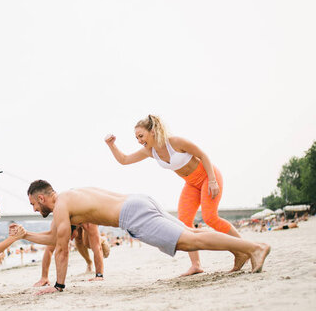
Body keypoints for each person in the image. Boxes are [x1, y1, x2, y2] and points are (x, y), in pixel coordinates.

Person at [15, 180, 270, 295]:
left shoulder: (61, 206)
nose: (35, 210)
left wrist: (58, 286)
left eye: (34, 205)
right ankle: (240, 251)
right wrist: (25, 235)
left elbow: (61, 249)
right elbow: (53, 239)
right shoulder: (71, 195)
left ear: (41, 197)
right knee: (192, 233)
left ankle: (255, 247)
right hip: (137, 200)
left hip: (131, 214)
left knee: (188, 241)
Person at [104, 114, 244, 276]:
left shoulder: (175, 142)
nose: (139, 141)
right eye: (136, 138)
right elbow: (125, 159)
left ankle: (243, 249)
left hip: (208, 176)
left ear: (153, 131)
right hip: (191, 184)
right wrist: (111, 145)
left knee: (210, 217)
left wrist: (212, 180)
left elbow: (203, 155)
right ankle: (196, 264)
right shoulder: (150, 151)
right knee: (184, 223)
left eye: (141, 136)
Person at [33, 223, 106, 287]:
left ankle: (101, 239)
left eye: (69, 236)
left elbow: (97, 247)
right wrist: (44, 277)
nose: (70, 240)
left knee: (89, 243)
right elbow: (49, 249)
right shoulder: (59, 221)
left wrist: (99, 275)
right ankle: (89, 262)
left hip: (85, 214)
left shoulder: (87, 220)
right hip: (71, 218)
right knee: (79, 240)